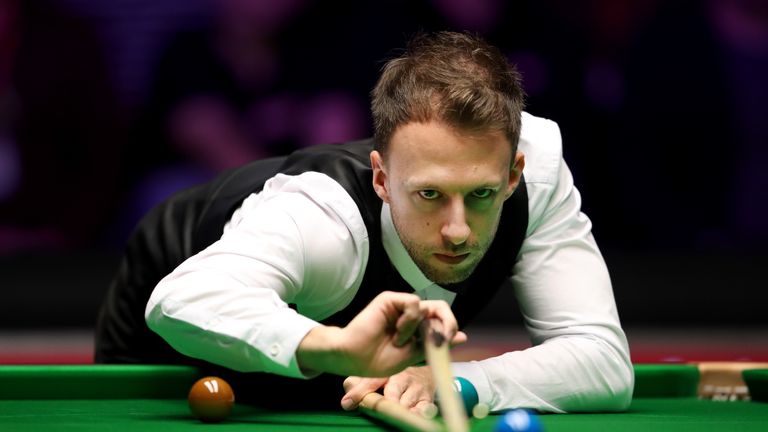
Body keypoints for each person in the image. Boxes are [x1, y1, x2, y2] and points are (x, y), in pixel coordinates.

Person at [95, 31, 633, 413]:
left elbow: (603, 361)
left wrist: (459, 384)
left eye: (481, 194)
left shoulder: (536, 173)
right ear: (381, 180)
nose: (458, 230)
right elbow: (179, 302)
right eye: (428, 194)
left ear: (512, 174)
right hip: (171, 341)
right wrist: (339, 347)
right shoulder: (321, 217)